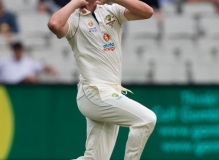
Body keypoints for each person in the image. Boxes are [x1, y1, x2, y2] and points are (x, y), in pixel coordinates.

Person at [48, 0, 157, 159]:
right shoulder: (73, 19)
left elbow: (147, 12)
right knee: (146, 120)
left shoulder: (112, 11)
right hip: (95, 92)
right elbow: (54, 25)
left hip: (109, 93)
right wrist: (75, 2)